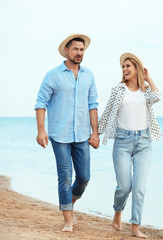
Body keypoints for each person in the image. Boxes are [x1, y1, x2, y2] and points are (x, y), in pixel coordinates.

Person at [34, 33, 100, 232]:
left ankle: (68, 204)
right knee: (64, 176)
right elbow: (40, 103)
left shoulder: (88, 75)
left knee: (84, 177)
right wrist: (41, 130)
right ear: (66, 51)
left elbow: (93, 105)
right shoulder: (53, 75)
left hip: (82, 134)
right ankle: (68, 221)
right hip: (59, 135)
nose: (79, 53)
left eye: (81, 50)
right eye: (75, 49)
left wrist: (95, 132)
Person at [99, 53, 162, 239]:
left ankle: (135, 226)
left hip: (144, 142)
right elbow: (108, 111)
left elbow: (158, 96)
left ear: (137, 69)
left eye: (128, 66)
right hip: (122, 142)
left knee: (140, 186)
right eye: (123, 67)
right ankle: (118, 211)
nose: (125, 70)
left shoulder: (146, 89)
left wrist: (148, 77)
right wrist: (96, 134)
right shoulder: (118, 89)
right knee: (124, 187)